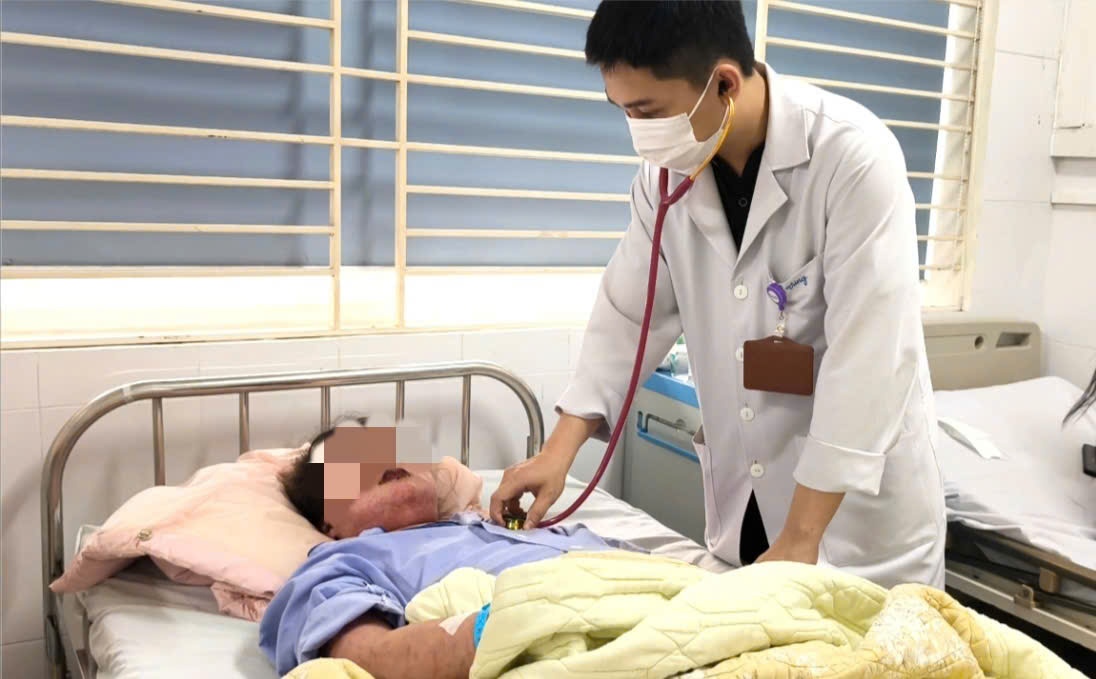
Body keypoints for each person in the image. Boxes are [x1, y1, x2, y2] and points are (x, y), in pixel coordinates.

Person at [490, 0, 948, 589]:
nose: (637, 132)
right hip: (749, 511)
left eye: (647, 110)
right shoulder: (666, 179)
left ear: (724, 84)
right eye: (623, 110)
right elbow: (628, 315)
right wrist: (557, 453)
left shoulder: (852, 157)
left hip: (850, 529)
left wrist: (802, 538)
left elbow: (871, 360)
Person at [262, 423, 645, 678]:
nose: (383, 460)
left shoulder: (501, 525)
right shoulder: (345, 563)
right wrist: (497, 628)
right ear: (329, 524)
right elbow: (369, 658)